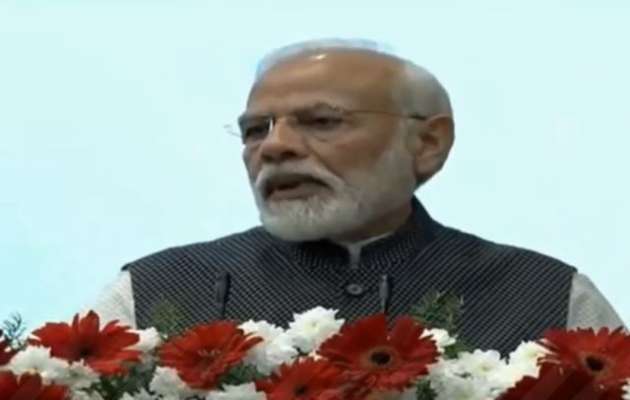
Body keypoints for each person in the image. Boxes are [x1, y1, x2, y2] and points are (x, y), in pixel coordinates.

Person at [93, 39, 624, 354]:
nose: (273, 147)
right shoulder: (150, 291)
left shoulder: (549, 295)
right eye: (255, 130)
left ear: (428, 143)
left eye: (322, 121)